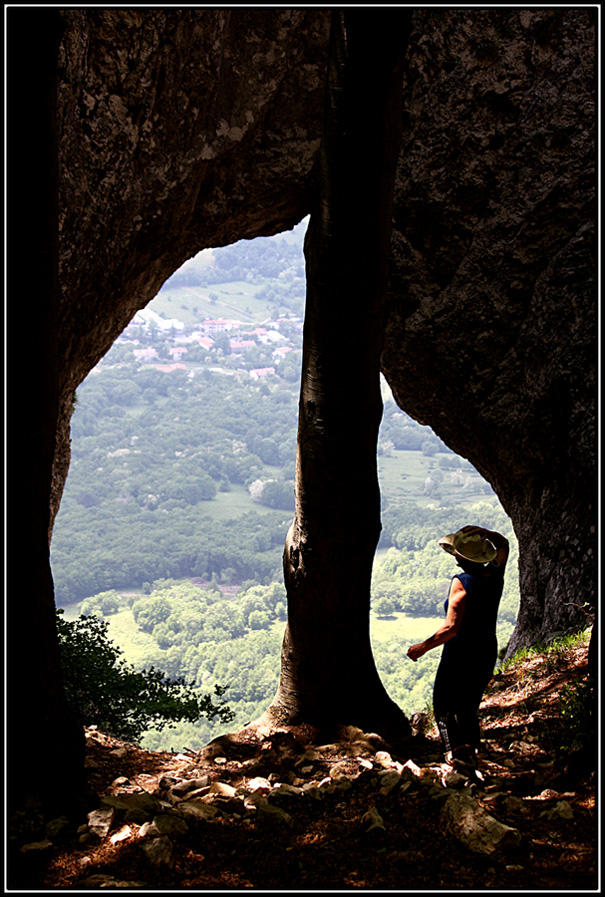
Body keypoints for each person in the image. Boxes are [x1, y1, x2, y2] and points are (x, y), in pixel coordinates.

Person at [407, 524, 509, 778]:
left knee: (443, 704)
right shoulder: (494, 574)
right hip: (486, 648)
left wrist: (422, 647)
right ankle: (471, 751)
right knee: (468, 704)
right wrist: (489, 534)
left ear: (460, 556)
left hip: (461, 652)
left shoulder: (461, 582)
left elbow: (452, 627)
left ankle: (455, 754)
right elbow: (504, 545)